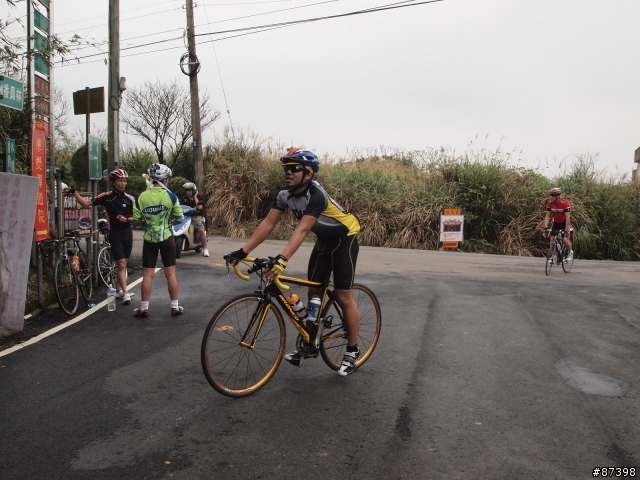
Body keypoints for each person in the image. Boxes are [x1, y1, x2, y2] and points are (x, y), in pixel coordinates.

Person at [226, 148, 362, 376]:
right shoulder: (284, 195)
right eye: (286, 168)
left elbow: (303, 229)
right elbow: (268, 224)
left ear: (308, 174)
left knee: (342, 296)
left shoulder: (316, 195)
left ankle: (352, 349)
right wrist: (242, 251)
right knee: (314, 291)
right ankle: (310, 342)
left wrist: (282, 259)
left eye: (294, 168)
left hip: (345, 238)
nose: (288, 172)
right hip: (324, 240)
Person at [66, 169, 135, 304]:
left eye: (125, 181)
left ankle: (119, 290)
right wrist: (74, 192)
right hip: (114, 233)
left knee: (124, 264)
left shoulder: (130, 199)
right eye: (120, 181)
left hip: (127, 233)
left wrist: (127, 219)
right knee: (121, 263)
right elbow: (86, 204)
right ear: (113, 182)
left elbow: (137, 217)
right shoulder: (106, 197)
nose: (123, 183)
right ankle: (126, 293)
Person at [132, 163, 185, 317]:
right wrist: (170, 221)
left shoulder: (141, 196)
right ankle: (175, 307)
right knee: (171, 273)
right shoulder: (171, 196)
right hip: (167, 237)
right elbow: (180, 218)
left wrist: (147, 221)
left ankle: (144, 308)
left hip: (149, 239)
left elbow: (137, 220)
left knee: (147, 274)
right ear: (165, 179)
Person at [542, 187, 573, 262]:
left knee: (563, 238)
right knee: (552, 239)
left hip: (564, 222)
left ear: (558, 196)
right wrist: (545, 226)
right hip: (556, 222)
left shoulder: (565, 203)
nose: (551, 197)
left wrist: (566, 230)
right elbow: (547, 216)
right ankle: (553, 256)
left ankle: (570, 252)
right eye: (550, 195)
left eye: (553, 196)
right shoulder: (550, 203)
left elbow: (568, 218)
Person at [181, 182, 209, 257]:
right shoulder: (184, 199)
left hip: (196, 216)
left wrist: (195, 197)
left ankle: (205, 249)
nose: (188, 192)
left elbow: (199, 207)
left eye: (190, 190)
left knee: (201, 230)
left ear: (193, 190)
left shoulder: (199, 197)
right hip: (186, 216)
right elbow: (180, 208)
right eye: (187, 191)